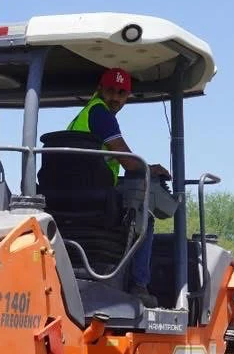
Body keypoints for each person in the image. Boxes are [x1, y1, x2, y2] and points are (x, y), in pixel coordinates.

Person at [68, 67, 168, 307]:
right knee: (145, 217)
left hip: (68, 196)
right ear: (100, 89)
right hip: (94, 199)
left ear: (127, 97)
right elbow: (125, 159)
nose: (115, 98)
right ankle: (139, 286)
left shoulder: (84, 115)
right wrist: (149, 168)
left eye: (121, 93)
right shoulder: (101, 114)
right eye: (111, 90)